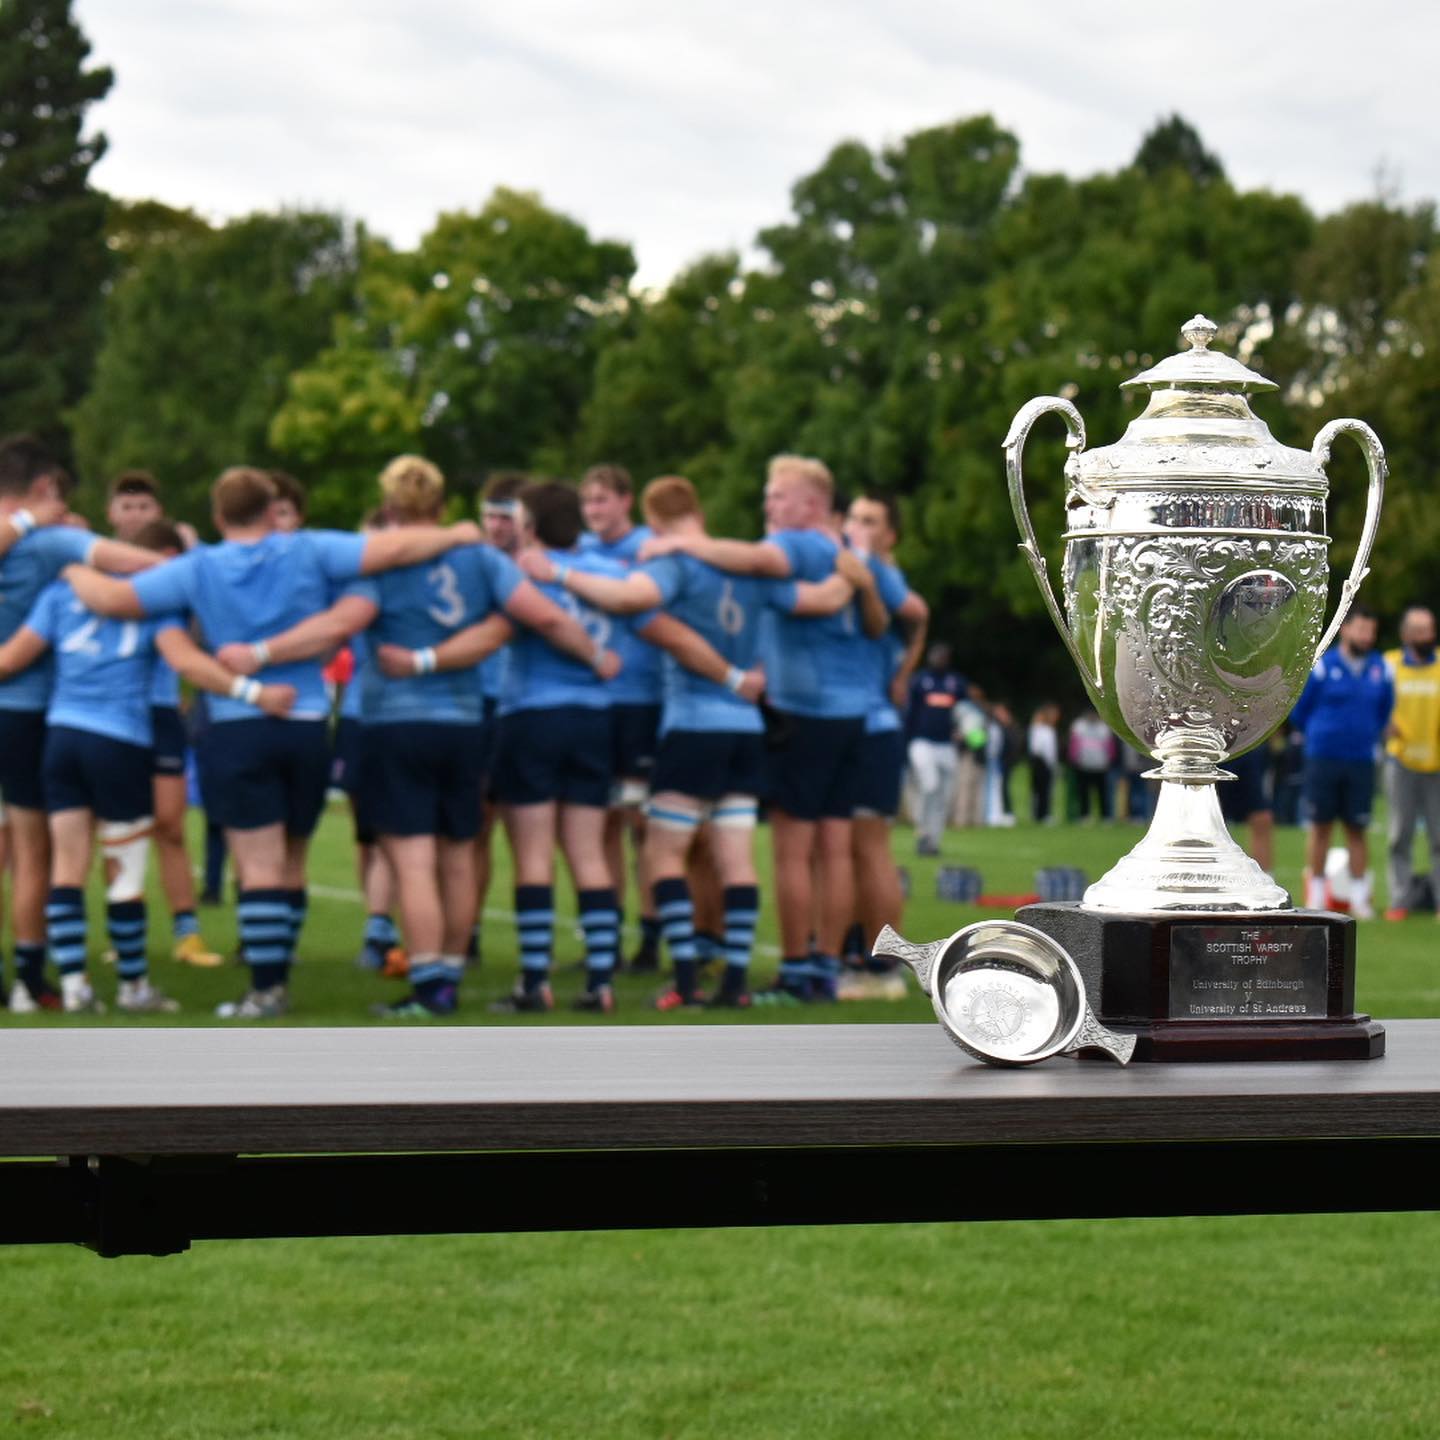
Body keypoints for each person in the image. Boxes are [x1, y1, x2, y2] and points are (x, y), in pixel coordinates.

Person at [63, 464, 485, 1018]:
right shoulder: (308, 550)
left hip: (239, 724)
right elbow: (389, 551)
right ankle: (281, 975)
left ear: (217, 517)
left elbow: (115, 600)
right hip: (308, 724)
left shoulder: (199, 567)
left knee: (256, 864)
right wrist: (456, 534)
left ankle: (267, 988)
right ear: (271, 511)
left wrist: (68, 562)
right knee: (293, 859)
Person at [529, 473, 858, 1008]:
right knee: (736, 857)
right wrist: (853, 570)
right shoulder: (746, 568)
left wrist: (559, 573)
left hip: (692, 725)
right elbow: (819, 599)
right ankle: (734, 983)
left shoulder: (673, 563)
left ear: (653, 519)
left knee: (664, 853)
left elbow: (628, 596)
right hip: (746, 729)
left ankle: (684, 978)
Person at [0, 519, 296, 1012]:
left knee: (67, 866)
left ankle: (73, 984)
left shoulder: (59, 595)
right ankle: (133, 985)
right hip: (119, 740)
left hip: (61, 737)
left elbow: (10, 659)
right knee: (126, 870)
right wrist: (253, 692)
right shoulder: (152, 604)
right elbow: (188, 663)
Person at [638, 454, 882, 1002]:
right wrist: (860, 587)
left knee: (792, 851)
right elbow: (889, 617)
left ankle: (794, 968)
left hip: (801, 710)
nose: (767, 505)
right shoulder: (847, 555)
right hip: (854, 712)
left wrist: (683, 544)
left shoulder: (795, 545)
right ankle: (823, 966)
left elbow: (750, 558)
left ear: (812, 505)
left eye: (777, 495)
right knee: (836, 848)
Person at [0, 435, 160, 1011]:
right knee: (34, 852)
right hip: (30, 711)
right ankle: (28, 980)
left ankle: (28, 978)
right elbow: (142, 564)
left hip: (28, 712)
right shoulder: (53, 542)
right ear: (45, 489)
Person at [837, 492, 928, 999]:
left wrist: (904, 673)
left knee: (870, 845)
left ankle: (887, 966)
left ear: (890, 534)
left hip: (873, 726)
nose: (857, 527)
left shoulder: (882, 574)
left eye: (870, 520)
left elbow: (920, 612)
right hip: (859, 724)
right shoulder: (859, 568)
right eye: (852, 517)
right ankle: (858, 954)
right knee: (848, 846)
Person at [578, 463, 665, 973]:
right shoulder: (583, 554)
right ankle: (605, 938)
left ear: (625, 501)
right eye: (588, 501)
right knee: (601, 823)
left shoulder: (647, 547)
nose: (594, 510)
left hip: (641, 698)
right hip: (596, 701)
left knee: (643, 823)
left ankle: (650, 937)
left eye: (603, 499)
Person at [1290, 606, 1394, 918]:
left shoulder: (1380, 668)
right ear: (1346, 630)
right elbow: (1300, 710)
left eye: (1371, 631)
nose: (1367, 636)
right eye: (1361, 630)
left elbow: (1384, 710)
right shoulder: (1323, 664)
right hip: (1324, 757)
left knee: (1357, 828)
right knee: (1320, 827)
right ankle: (1318, 895)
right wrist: (1323, 734)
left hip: (1361, 758)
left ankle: (1361, 899)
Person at [1382, 606, 1440, 920]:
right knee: (1399, 834)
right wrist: (1383, 722)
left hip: (1436, 762)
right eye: (1420, 631)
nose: (1427, 636)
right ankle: (1400, 900)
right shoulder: (1389, 665)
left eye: (1429, 629)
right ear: (1406, 635)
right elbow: (1373, 701)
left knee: (1439, 836)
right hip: (1400, 760)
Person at [906, 644, 966, 854]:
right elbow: (909, 713)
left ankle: (933, 840)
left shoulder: (956, 682)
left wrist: (969, 737)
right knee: (929, 785)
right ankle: (922, 831)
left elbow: (966, 715)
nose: (939, 659)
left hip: (947, 745)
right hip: (922, 742)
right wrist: (906, 741)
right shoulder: (919, 681)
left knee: (944, 795)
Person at [1067, 710, 1116, 822]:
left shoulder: (1104, 728)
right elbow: (1074, 745)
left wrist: (1110, 760)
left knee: (1102, 793)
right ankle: (1085, 815)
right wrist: (1074, 760)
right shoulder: (1079, 727)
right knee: (1084, 793)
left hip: (1101, 766)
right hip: (1083, 765)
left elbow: (1110, 746)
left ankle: (1105, 816)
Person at [1027, 703, 1061, 823]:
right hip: (1042, 762)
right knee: (1043, 790)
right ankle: (1042, 814)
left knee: (1041, 789)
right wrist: (1051, 764)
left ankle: (1040, 814)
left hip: (1040, 761)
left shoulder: (1040, 729)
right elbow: (1044, 750)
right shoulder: (1043, 730)